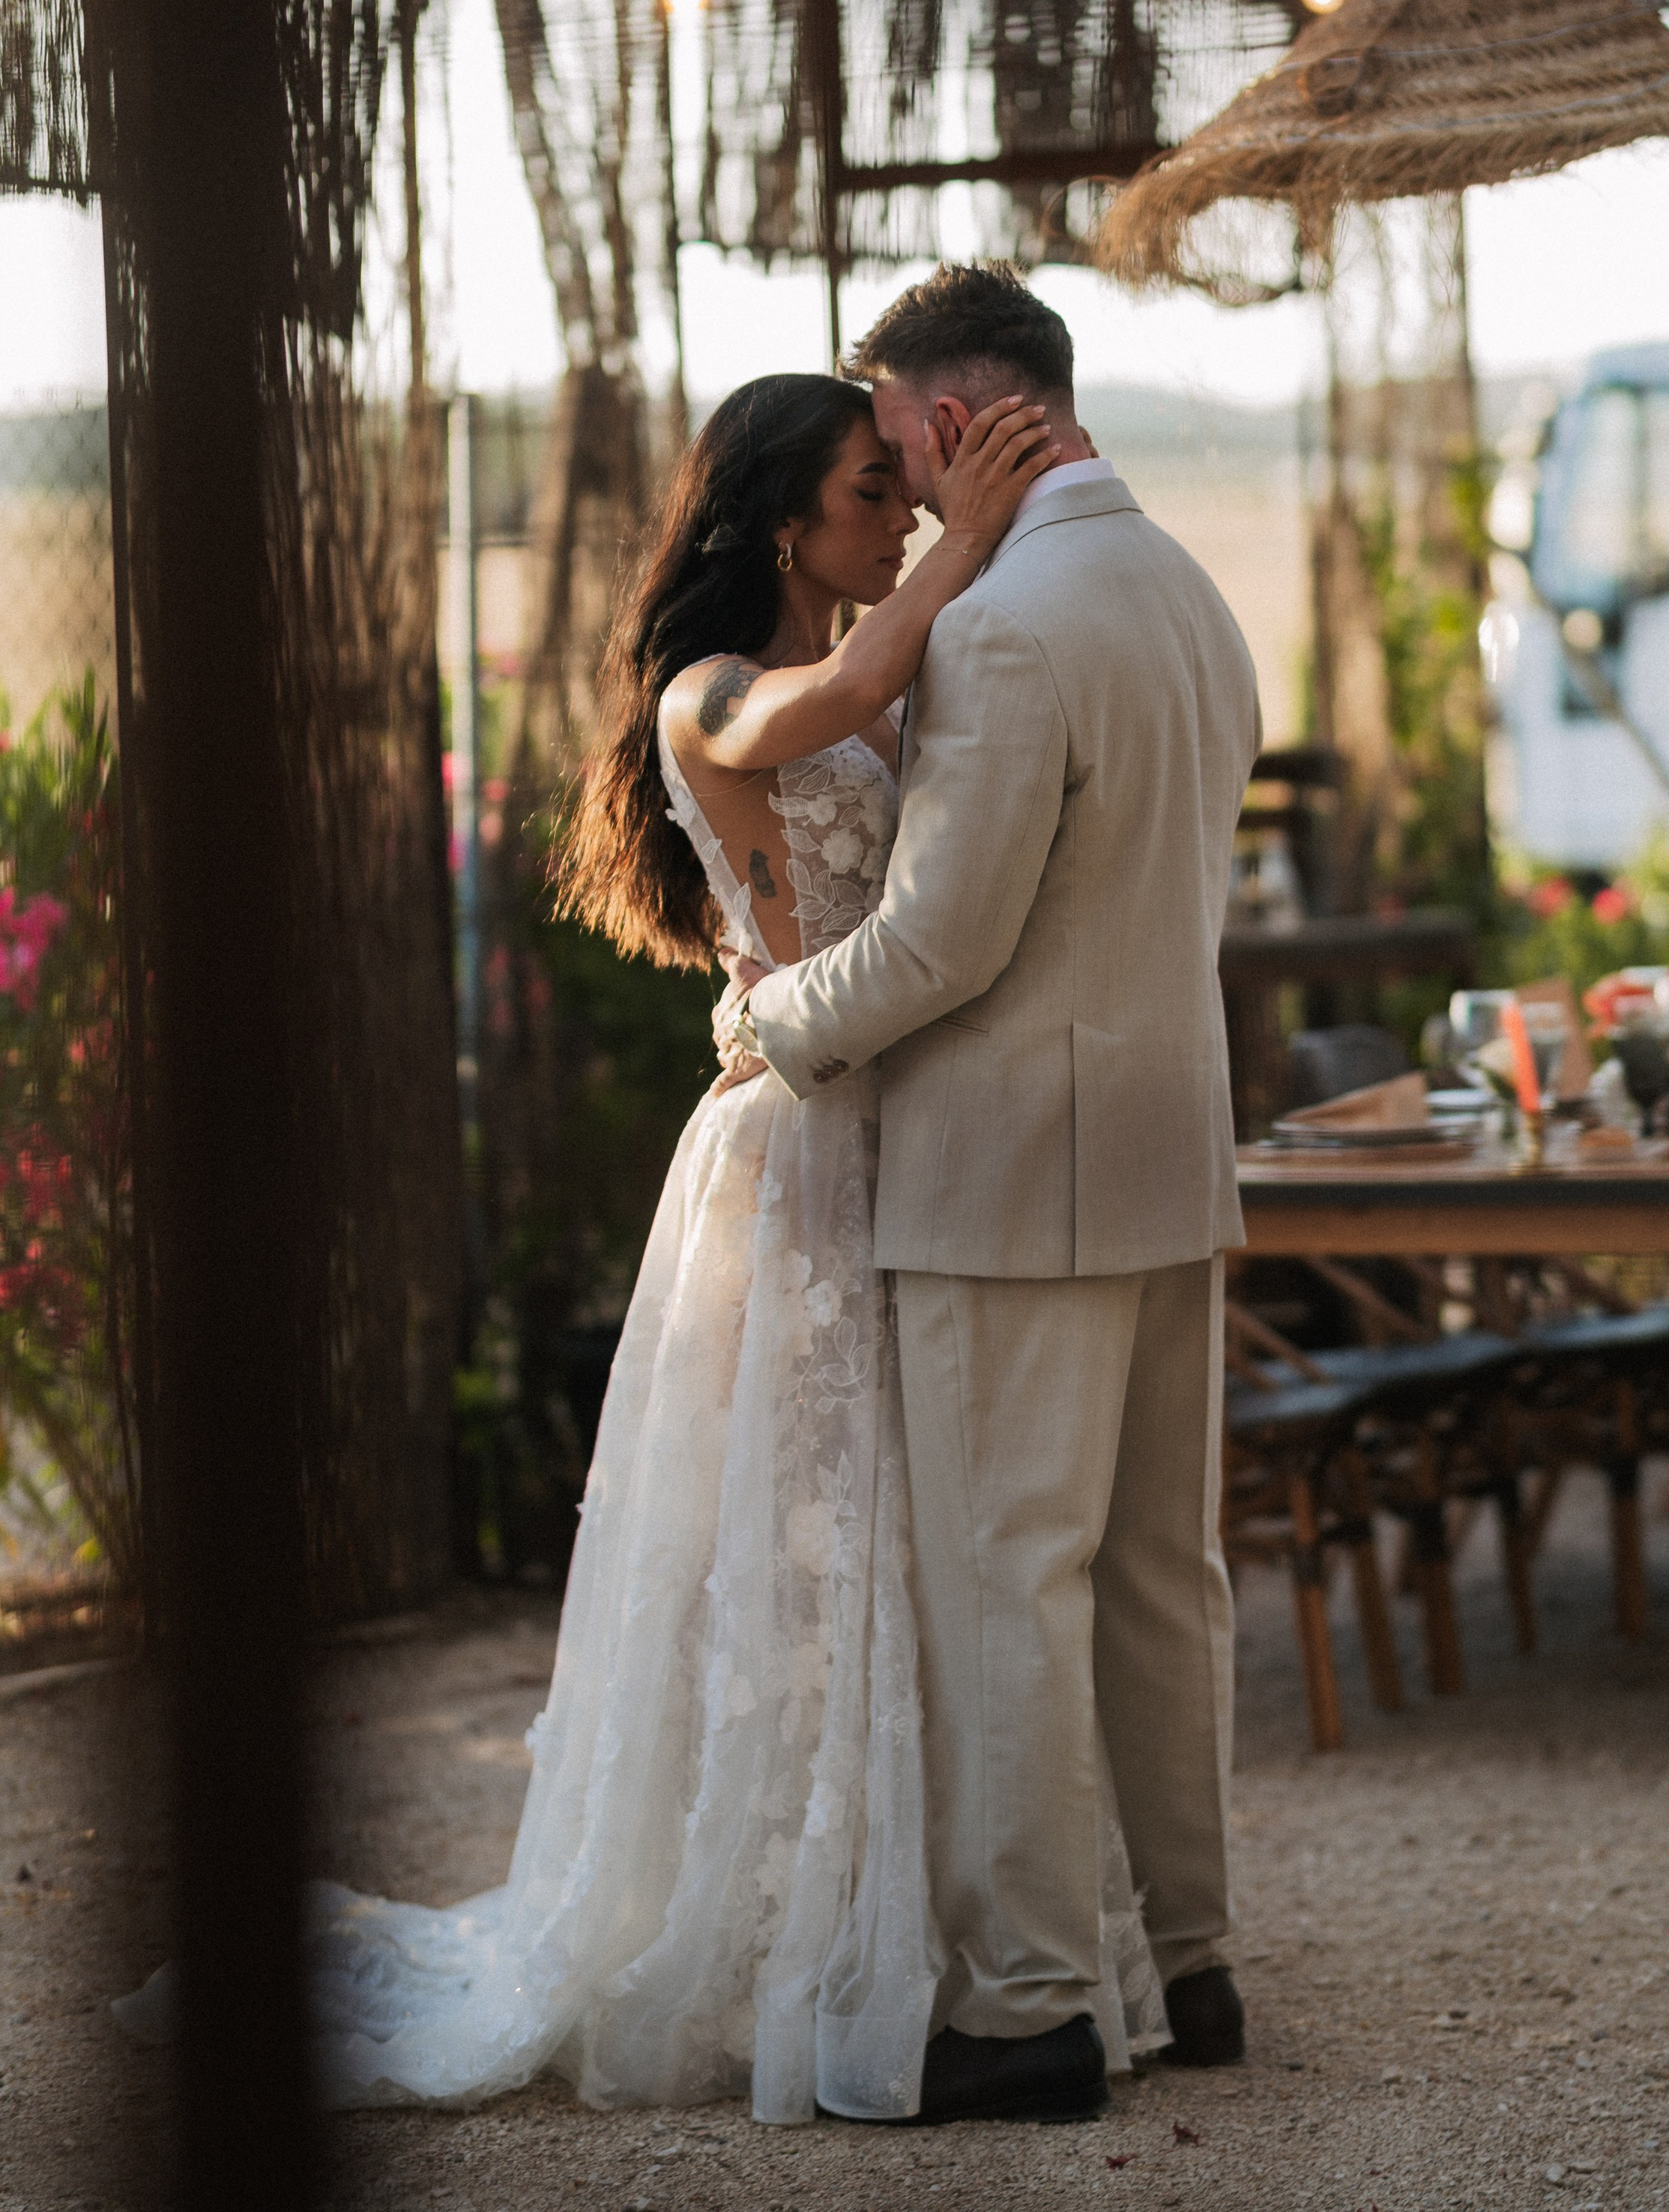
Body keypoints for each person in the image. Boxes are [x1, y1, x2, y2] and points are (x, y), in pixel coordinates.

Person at [115, 358, 1164, 2124]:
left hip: (914, 1127)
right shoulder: (715, 694)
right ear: (778, 523)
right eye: (869, 490)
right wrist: (972, 538)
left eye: (903, 491)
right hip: (801, 1146)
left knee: (929, 1537)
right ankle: (785, 1935)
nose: (901, 511)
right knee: (812, 1526)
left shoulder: (902, 660)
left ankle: (959, 1935)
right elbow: (837, 699)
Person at [719, 263, 1261, 2125]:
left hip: (1011, 1175)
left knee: (1005, 1581)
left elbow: (940, 944)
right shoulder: (1188, 593)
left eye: (894, 447)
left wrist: (772, 1022)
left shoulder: (1007, 627)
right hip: (1174, 1153)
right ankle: (1189, 1964)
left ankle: (1029, 2007)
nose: (894, 483)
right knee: (1162, 1579)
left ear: (950, 421)